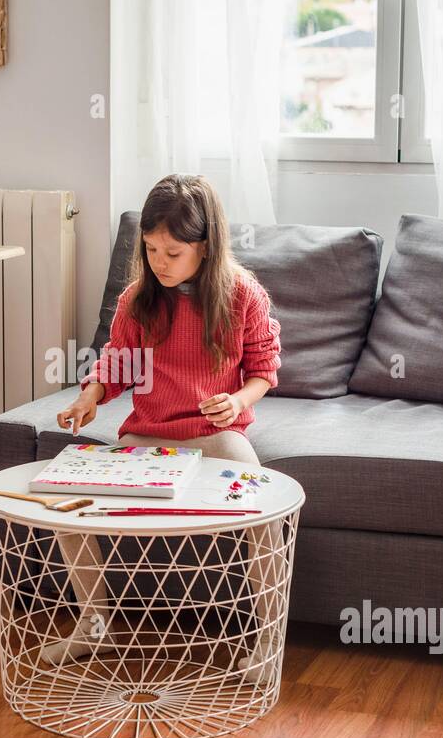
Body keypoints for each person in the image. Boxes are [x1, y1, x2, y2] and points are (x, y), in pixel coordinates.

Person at [50, 174, 284, 683]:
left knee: (264, 507)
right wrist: (89, 397)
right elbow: (118, 362)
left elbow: (264, 369)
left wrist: (237, 400)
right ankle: (95, 625)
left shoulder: (243, 295)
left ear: (206, 247)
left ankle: (268, 641)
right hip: (148, 436)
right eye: (151, 248)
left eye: (173, 252)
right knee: (70, 504)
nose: (160, 261)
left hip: (216, 435)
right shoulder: (140, 296)